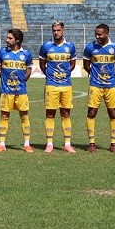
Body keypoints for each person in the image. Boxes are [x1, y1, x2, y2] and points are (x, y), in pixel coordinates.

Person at [82, 23, 115, 152]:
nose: (97, 36)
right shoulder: (90, 47)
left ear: (106, 34)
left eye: (100, 34)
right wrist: (96, 76)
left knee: (113, 113)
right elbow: (86, 65)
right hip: (95, 85)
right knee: (91, 112)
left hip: (111, 86)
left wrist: (109, 76)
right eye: (96, 34)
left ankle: (113, 143)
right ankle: (92, 142)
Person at [39, 21, 76, 153]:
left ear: (63, 30)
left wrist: (64, 73)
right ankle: (49, 143)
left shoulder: (70, 46)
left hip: (66, 85)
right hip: (51, 85)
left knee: (66, 114)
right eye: (54, 30)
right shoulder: (46, 46)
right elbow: (42, 64)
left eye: (58, 30)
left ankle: (67, 143)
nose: (56, 32)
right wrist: (50, 75)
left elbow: (72, 63)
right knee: (50, 114)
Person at [0, 28, 32, 152]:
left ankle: (27, 144)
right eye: (7, 37)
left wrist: (21, 81)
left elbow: (28, 70)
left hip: (21, 91)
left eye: (10, 38)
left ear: (17, 40)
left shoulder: (26, 54)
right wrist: (5, 79)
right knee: (4, 116)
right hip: (6, 91)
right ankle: (2, 144)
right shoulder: (2, 53)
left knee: (24, 116)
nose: (7, 40)